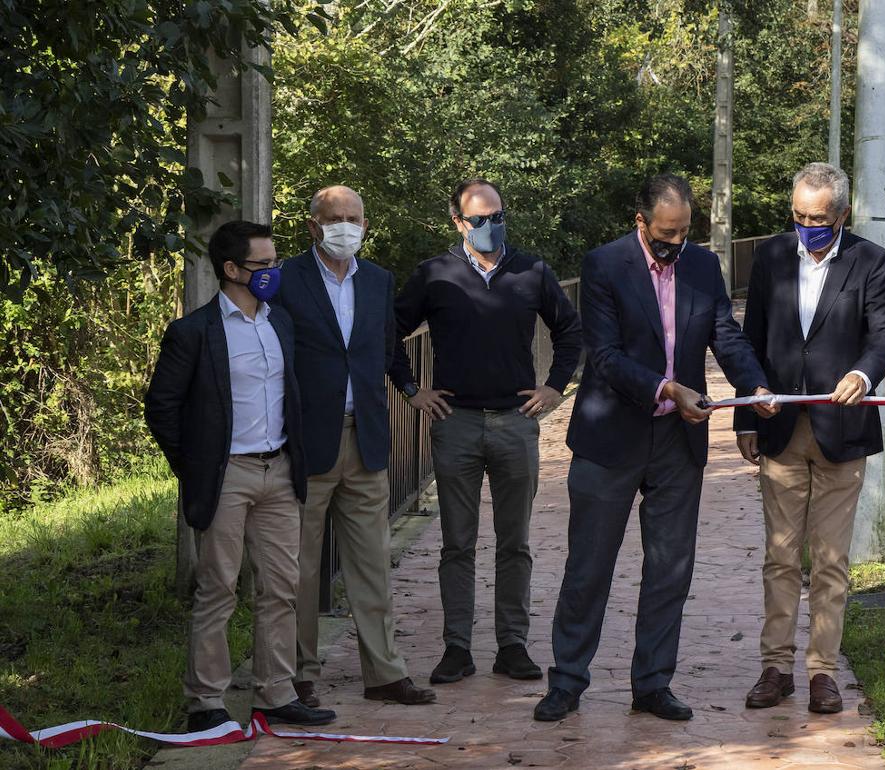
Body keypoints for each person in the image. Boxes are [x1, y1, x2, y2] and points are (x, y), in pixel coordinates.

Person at [534, 173, 777, 723]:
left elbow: (726, 333)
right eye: (666, 233)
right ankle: (567, 681)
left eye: (685, 232)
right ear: (640, 222)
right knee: (589, 567)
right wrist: (664, 387)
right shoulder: (604, 265)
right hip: (610, 435)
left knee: (670, 569)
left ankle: (652, 684)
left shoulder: (701, 266)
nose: (675, 243)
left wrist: (752, 386)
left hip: (677, 441)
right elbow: (605, 355)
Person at [145, 220, 337, 730]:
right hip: (225, 475)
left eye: (275, 262)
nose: (274, 271)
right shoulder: (193, 331)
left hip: (280, 472)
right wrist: (195, 466)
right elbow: (161, 407)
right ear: (231, 270)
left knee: (281, 588)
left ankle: (275, 694)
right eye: (264, 265)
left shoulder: (281, 323)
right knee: (218, 589)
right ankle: (206, 703)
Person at [391, 178, 582, 685]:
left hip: (515, 424)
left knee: (514, 541)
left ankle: (511, 645)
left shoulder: (531, 269)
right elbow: (388, 331)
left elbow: (570, 331)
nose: (490, 226)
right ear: (458, 222)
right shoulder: (435, 274)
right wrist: (412, 390)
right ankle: (457, 647)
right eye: (478, 219)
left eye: (497, 216)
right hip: (455, 425)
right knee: (457, 542)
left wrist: (555, 387)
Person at [734, 162, 885, 714]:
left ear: (843, 215)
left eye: (820, 218)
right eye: (800, 216)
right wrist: (745, 416)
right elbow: (751, 337)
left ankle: (822, 672)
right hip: (780, 428)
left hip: (841, 430)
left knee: (829, 559)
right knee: (780, 555)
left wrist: (862, 374)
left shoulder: (870, 262)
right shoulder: (772, 257)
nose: (809, 227)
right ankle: (775, 667)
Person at [276, 186, 435, 708]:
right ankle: (296, 673)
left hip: (365, 440)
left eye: (354, 218)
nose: (346, 226)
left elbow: (388, 347)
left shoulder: (379, 281)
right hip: (305, 445)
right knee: (298, 568)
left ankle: (384, 673)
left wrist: (411, 391)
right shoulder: (285, 281)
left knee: (372, 563)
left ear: (366, 223)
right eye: (335, 218)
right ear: (313, 225)